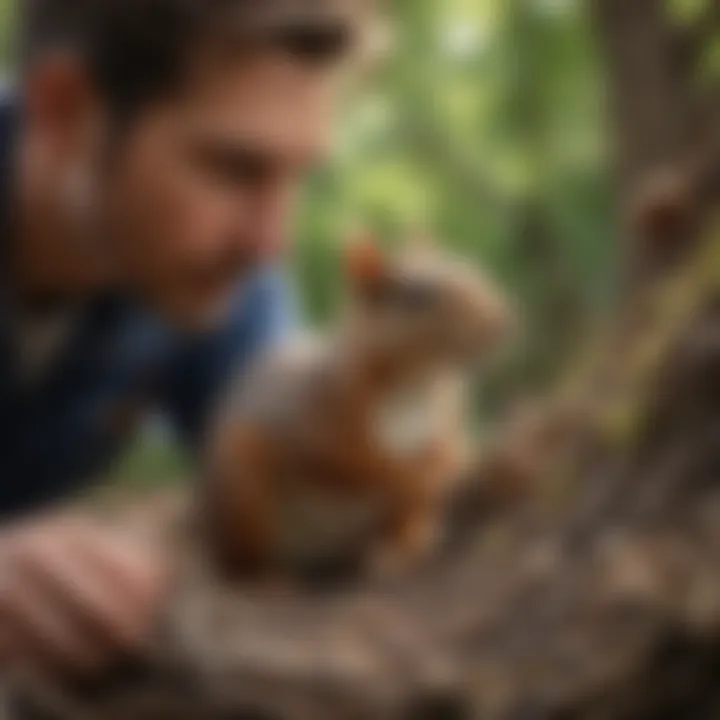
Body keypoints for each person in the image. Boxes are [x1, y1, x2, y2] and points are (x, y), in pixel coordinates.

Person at [0, 0, 365, 676]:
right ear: (62, 110)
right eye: (234, 170)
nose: (268, 243)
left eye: (295, 180)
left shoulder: (199, 280)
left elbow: (292, 461)